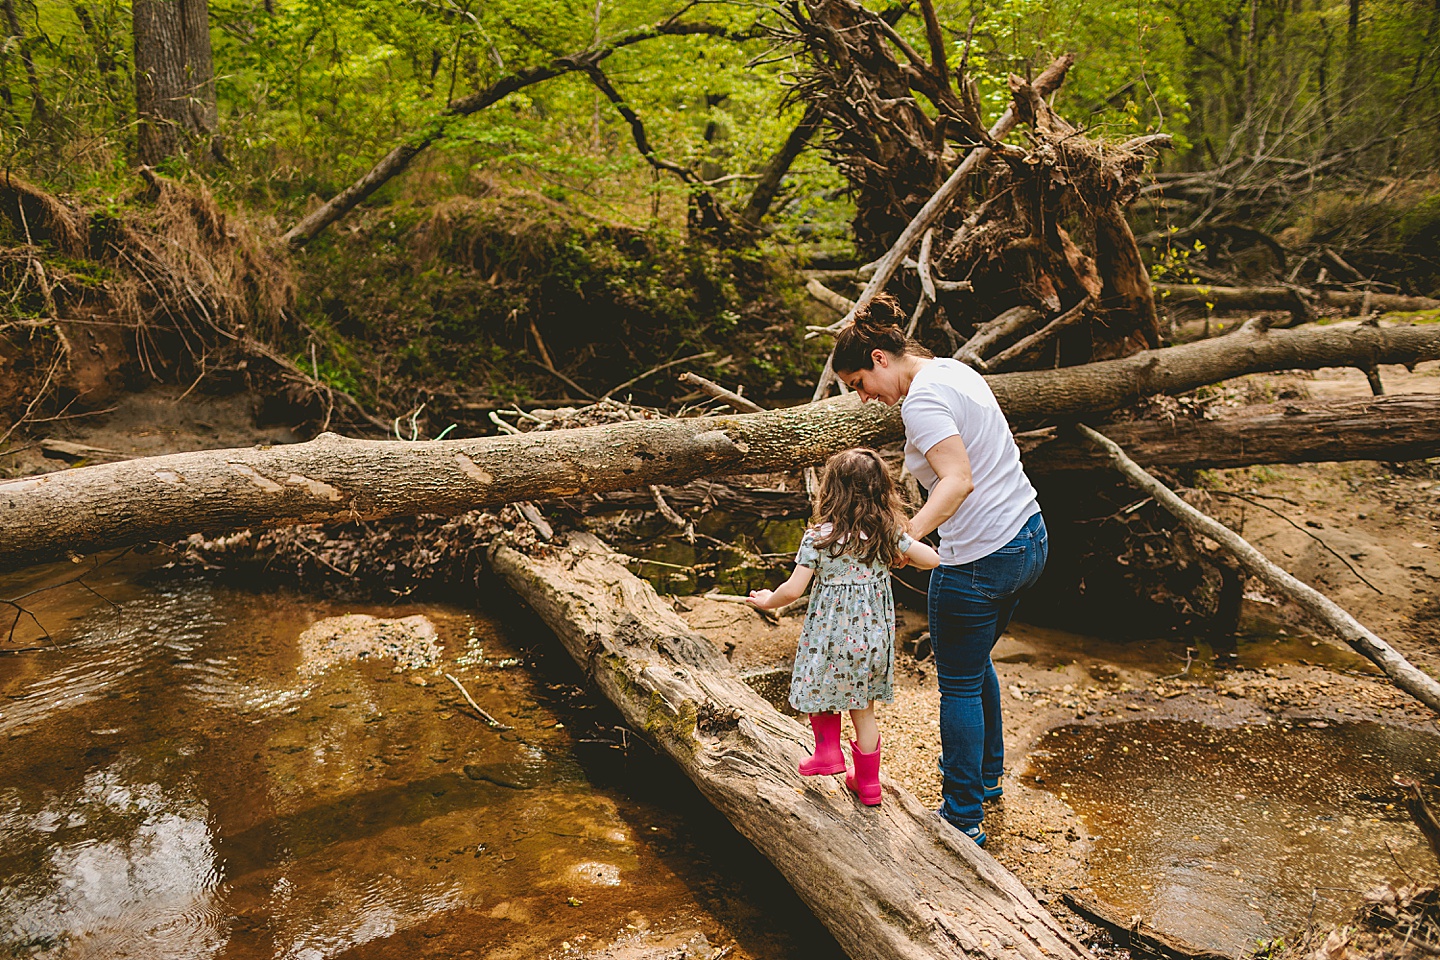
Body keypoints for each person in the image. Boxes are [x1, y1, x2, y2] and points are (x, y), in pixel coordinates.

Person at [830, 296, 1048, 846]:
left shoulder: (920, 402)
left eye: (859, 382)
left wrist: (909, 537)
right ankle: (989, 781)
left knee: (956, 685)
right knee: (975, 664)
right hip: (1029, 536)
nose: (863, 396)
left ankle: (961, 817)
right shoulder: (952, 370)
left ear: (881, 358)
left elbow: (957, 480)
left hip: (980, 557)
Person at [748, 447, 940, 806]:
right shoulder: (887, 532)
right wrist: (906, 553)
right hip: (873, 640)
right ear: (881, 491)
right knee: (863, 710)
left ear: (831, 491)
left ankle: (828, 754)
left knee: (818, 689)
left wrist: (766, 600)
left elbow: (793, 590)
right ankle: (868, 784)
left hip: (829, 639)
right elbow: (931, 559)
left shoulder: (819, 537)